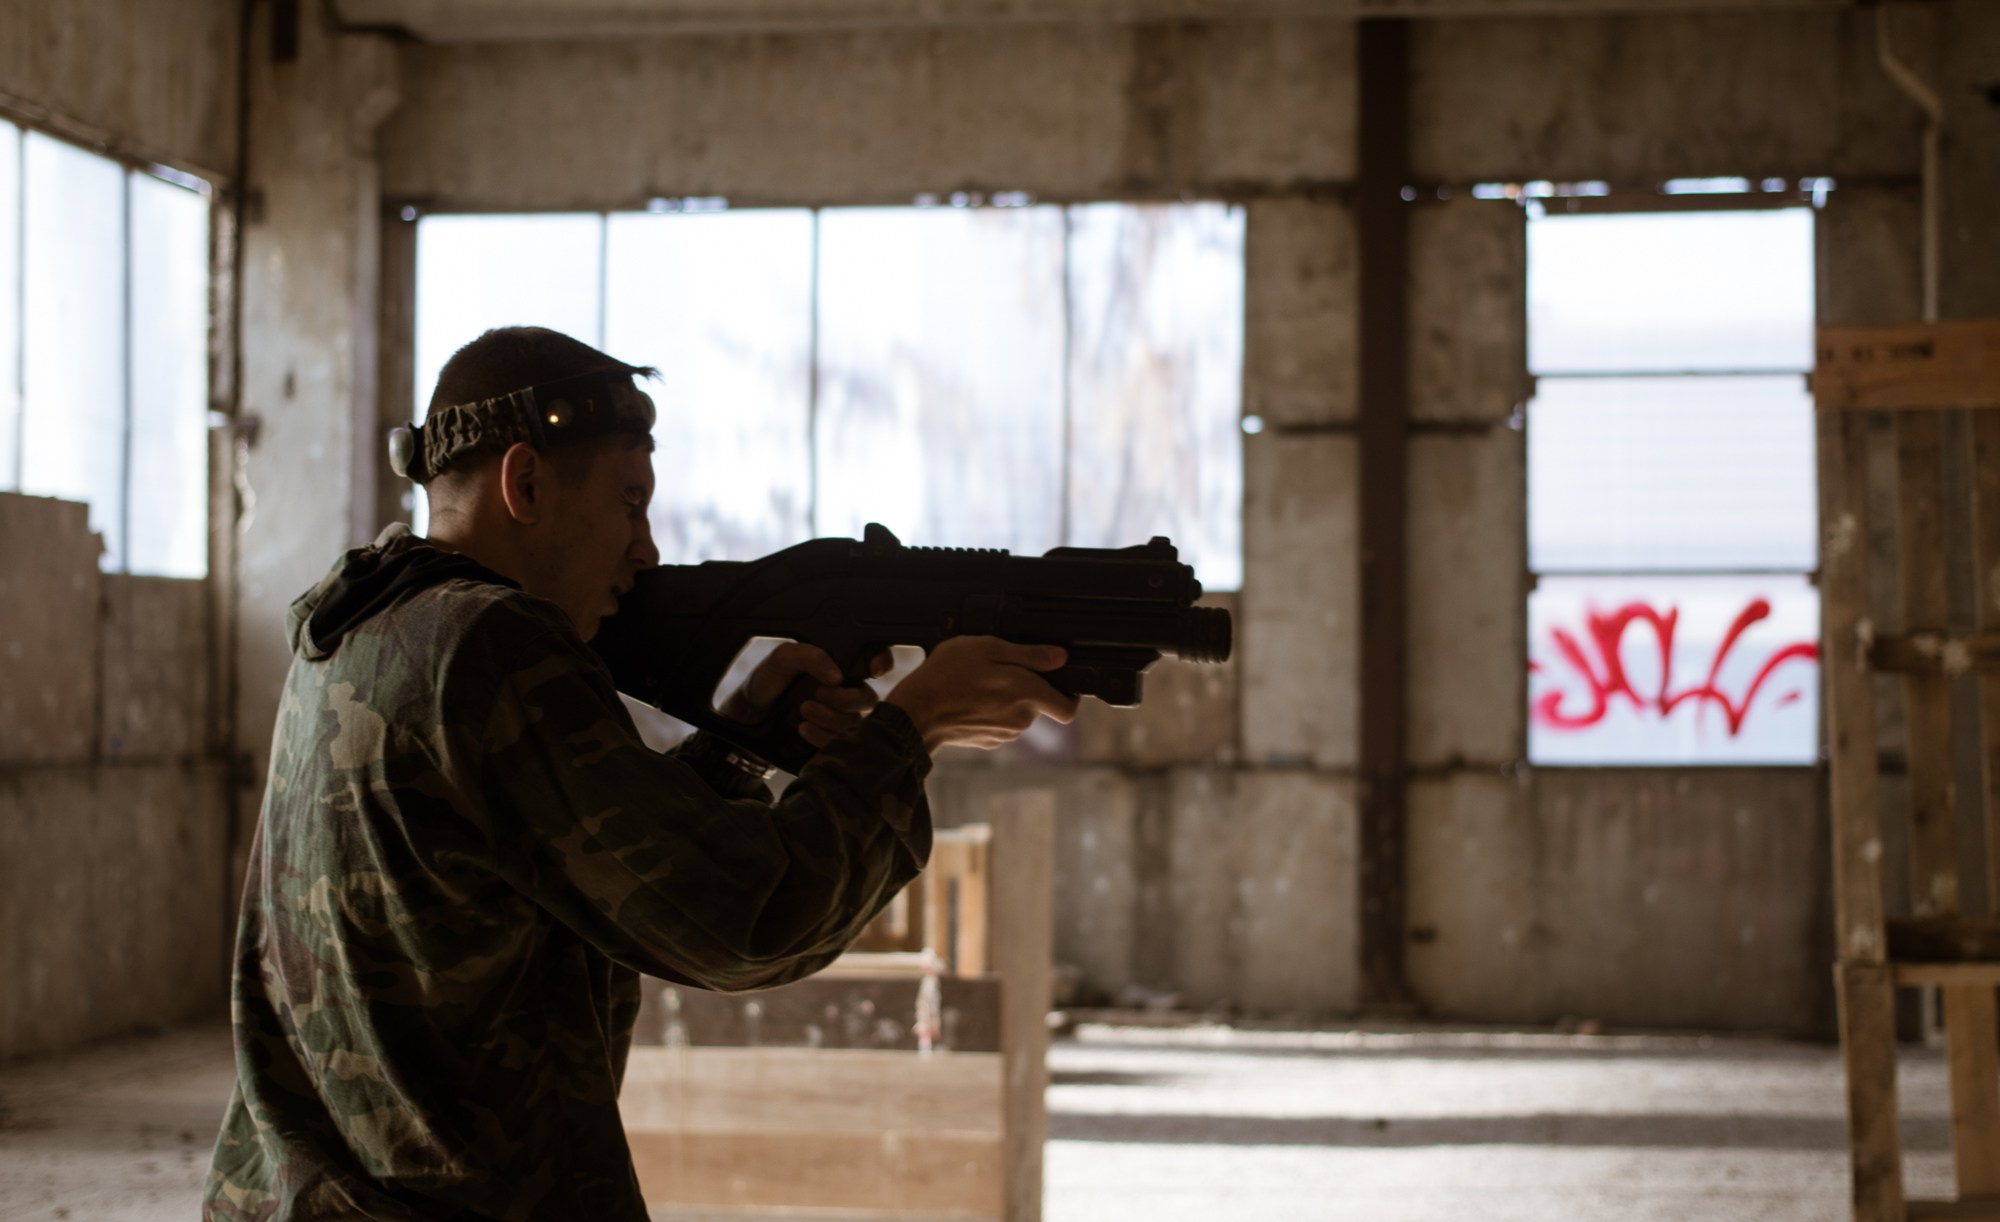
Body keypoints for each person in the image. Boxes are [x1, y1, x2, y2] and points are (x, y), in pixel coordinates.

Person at [204, 326, 1078, 1221]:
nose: (647, 549)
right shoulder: (493, 646)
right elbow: (747, 920)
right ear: (526, 483)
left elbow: (574, 860)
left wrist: (737, 741)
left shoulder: (361, 627)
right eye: (631, 503)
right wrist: (911, 728)